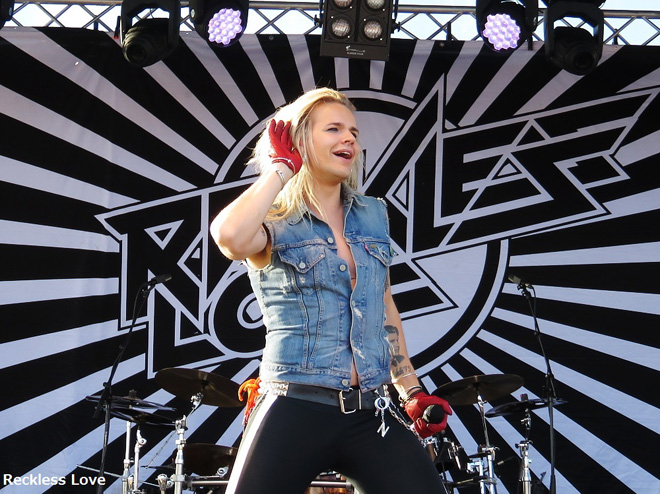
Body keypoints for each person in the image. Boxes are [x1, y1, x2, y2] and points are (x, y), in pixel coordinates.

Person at [210, 87, 452, 494]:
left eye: (354, 132)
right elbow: (230, 238)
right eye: (334, 129)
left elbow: (383, 304)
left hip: (370, 409)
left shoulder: (373, 213)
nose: (349, 139)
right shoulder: (275, 218)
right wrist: (280, 169)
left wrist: (409, 388)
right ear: (299, 139)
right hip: (294, 402)